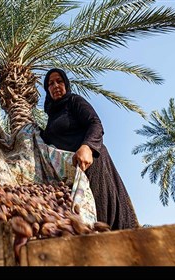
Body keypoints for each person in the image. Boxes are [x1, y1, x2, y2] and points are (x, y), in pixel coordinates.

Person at [40, 68, 139, 230]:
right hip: (74, 169)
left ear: (66, 84)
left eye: (59, 81)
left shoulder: (74, 101)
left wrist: (87, 147)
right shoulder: (52, 118)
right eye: (50, 84)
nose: (55, 85)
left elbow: (95, 123)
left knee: (101, 208)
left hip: (92, 160)